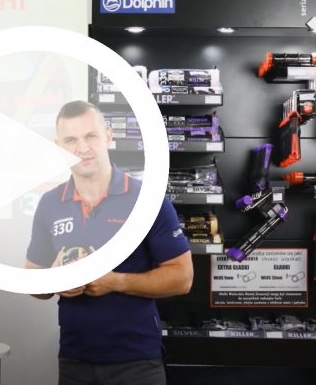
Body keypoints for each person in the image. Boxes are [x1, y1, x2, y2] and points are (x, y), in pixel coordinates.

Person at [25, 100, 194, 385]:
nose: (82, 148)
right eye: (71, 140)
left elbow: (182, 278)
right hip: (74, 361)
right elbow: (32, 280)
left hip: (137, 362)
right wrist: (54, 280)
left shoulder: (147, 200)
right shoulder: (50, 204)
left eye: (90, 136)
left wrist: (115, 282)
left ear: (108, 136)